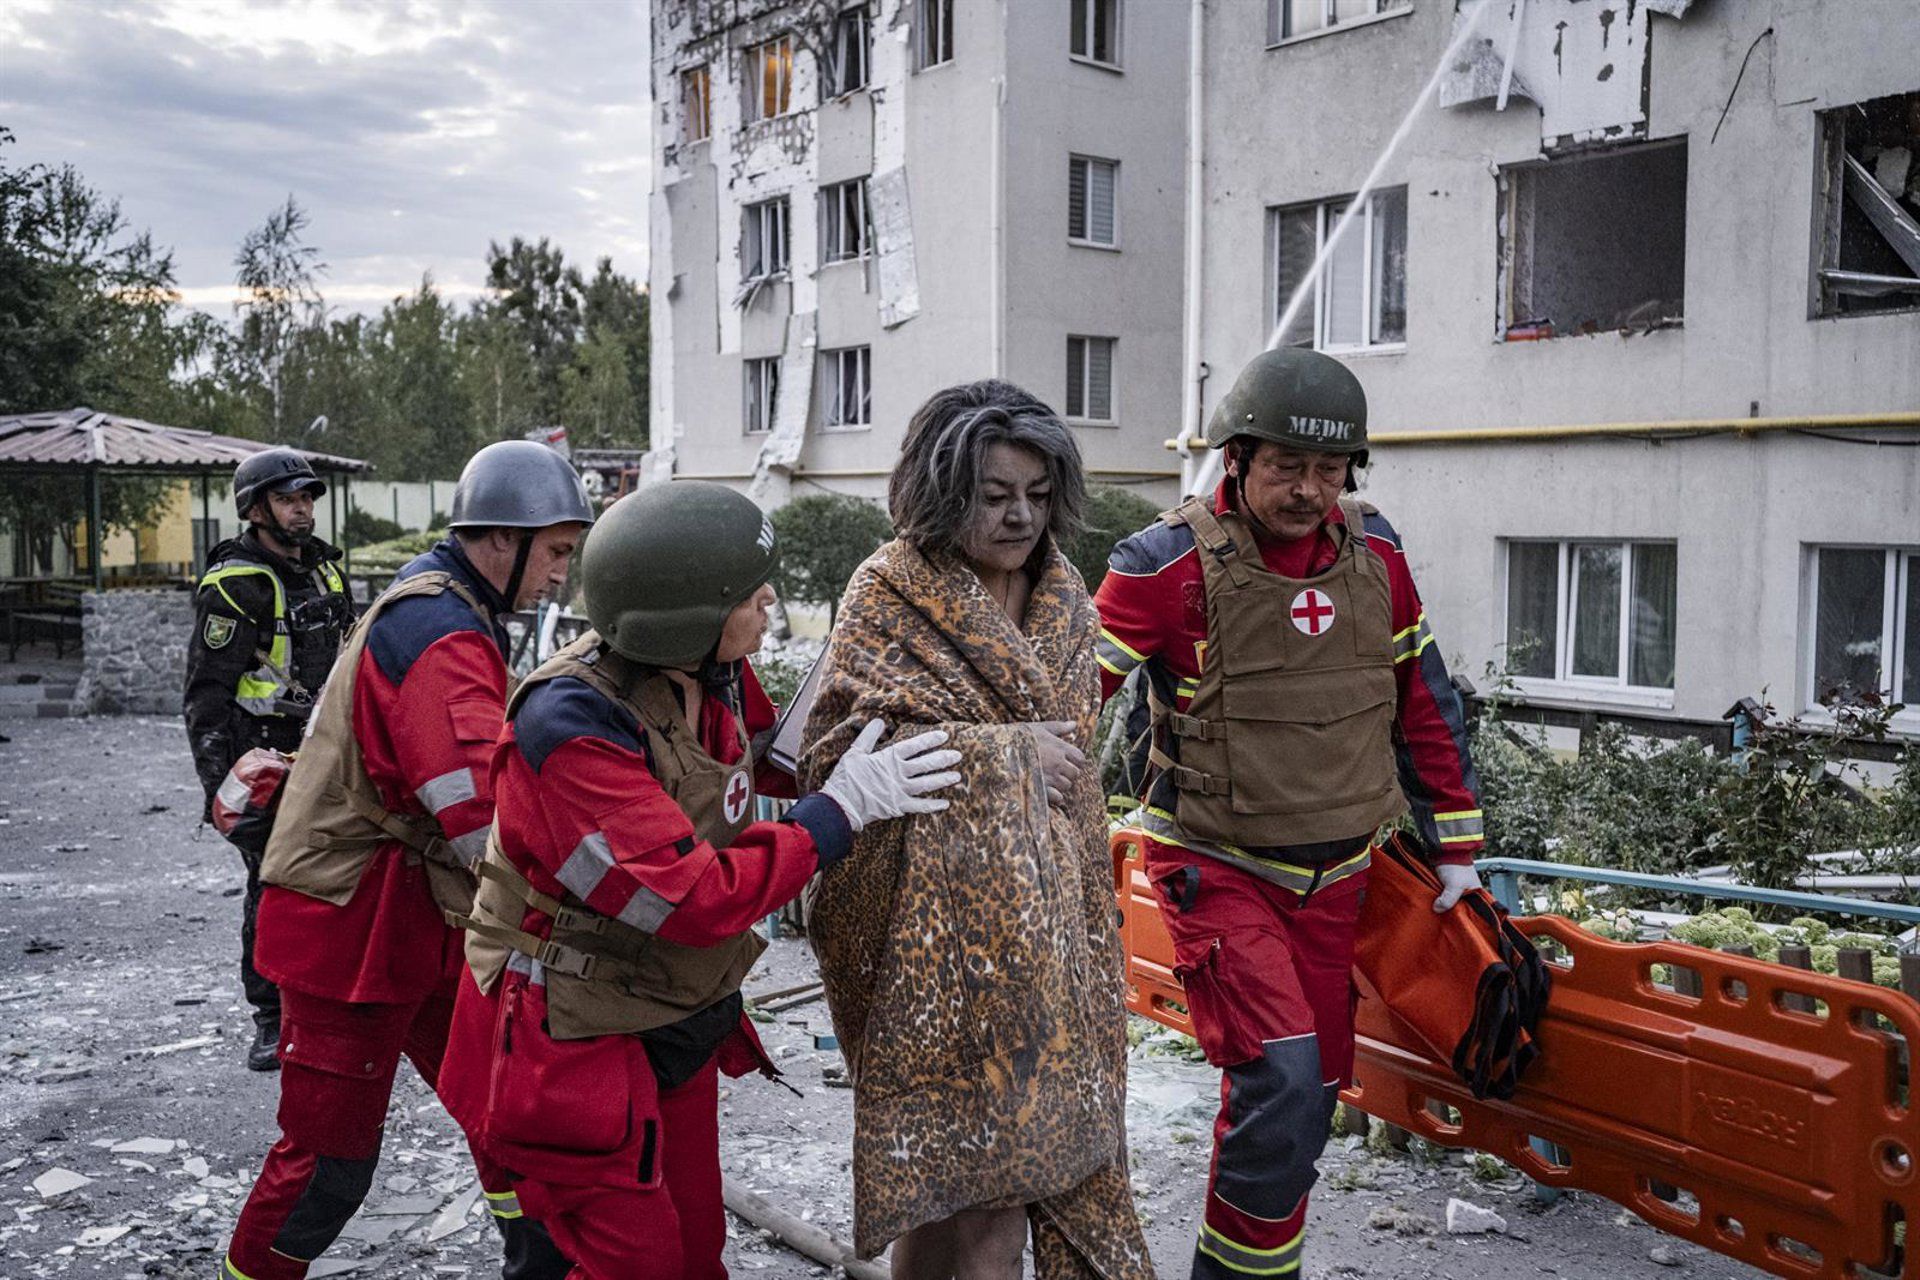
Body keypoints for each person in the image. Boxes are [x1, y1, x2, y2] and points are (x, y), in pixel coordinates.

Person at [438, 480, 960, 1280]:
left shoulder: (703, 668)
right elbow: (692, 897)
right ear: (686, 617)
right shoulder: (570, 730)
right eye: (750, 596)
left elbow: (756, 757)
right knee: (633, 1262)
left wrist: (853, 737)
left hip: (665, 1006)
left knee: (694, 1248)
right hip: (571, 1031)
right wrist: (838, 812)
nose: (768, 605)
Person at [1092, 348, 1485, 1280]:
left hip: (1341, 876)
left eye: (1330, 469)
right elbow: (1062, 704)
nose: (1310, 489)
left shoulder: (1377, 553)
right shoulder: (1161, 565)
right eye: (1287, 467)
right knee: (1281, 1075)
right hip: (1218, 866)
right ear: (1237, 458)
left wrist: (1457, 848)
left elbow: (1422, 699)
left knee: (1310, 1097)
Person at [799, 381, 1155, 1280]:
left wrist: (1028, 767)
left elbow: (1074, 770)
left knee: (1004, 1186)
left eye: (1037, 494)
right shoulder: (887, 592)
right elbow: (841, 755)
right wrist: (1006, 758)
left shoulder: (1067, 600)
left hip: (1049, 940)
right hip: (928, 948)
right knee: (941, 1178)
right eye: (995, 496)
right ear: (943, 491)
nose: (1019, 516)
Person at [218, 440, 593, 1280]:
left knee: (509, 1113)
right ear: (503, 540)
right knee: (327, 1167)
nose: (560, 575)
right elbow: (486, 823)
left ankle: (542, 1264)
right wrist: (599, 904)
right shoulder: (441, 635)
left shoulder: (449, 606)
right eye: (557, 552)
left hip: (416, 918)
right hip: (348, 933)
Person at [183, 447, 354, 1072]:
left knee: (340, 879)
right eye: (287, 500)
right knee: (273, 885)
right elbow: (205, 697)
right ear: (256, 510)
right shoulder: (235, 586)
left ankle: (324, 1003)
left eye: (306, 498)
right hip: (263, 766)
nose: (302, 510)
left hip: (330, 758)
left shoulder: (327, 573)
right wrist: (220, 793)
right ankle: (270, 1018)